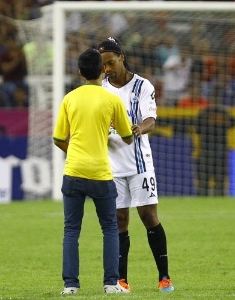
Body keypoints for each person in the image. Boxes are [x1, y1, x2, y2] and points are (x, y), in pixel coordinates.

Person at [52, 48, 133, 295]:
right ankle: (111, 283)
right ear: (102, 70)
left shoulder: (70, 99)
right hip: (100, 173)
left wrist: (76, 150)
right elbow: (128, 137)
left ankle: (71, 285)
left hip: (74, 170)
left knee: (71, 230)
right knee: (109, 228)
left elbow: (57, 138)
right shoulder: (112, 100)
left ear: (79, 73)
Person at [97, 37, 175, 293]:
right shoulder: (100, 89)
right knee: (119, 220)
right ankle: (122, 280)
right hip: (111, 165)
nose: (107, 68)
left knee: (148, 216)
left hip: (140, 163)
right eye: (103, 65)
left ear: (121, 56)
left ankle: (164, 277)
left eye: (110, 62)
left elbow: (150, 120)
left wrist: (138, 128)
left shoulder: (142, 86)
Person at [195, 97, 232, 196]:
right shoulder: (225, 113)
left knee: (205, 178)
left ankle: (203, 199)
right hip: (219, 149)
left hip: (207, 149)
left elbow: (197, 130)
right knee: (218, 178)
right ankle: (218, 198)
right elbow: (230, 127)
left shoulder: (204, 113)